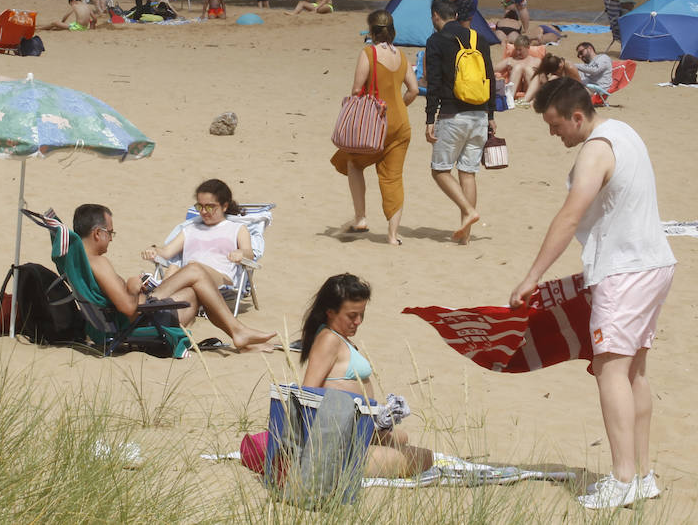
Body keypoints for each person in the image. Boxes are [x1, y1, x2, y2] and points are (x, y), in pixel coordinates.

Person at [511, 78, 675, 509]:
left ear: (577, 116)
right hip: (654, 264)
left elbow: (570, 217)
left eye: (555, 124)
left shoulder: (596, 149)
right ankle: (641, 474)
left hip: (626, 272)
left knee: (610, 371)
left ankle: (623, 478)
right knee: (634, 370)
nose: (553, 134)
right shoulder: (625, 131)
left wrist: (533, 276)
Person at [77, 203, 277, 351]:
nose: (111, 238)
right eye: (110, 233)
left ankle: (238, 333)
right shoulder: (98, 262)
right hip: (146, 317)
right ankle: (238, 332)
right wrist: (132, 287)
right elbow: (129, 310)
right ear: (97, 233)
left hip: (144, 309)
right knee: (196, 273)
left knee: (195, 276)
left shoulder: (80, 260)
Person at [299, 273, 434, 477]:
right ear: (330, 312)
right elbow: (307, 394)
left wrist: (380, 415)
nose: (359, 321)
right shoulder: (328, 340)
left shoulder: (337, 336)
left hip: (358, 429)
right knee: (424, 458)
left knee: (401, 438)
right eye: (352, 315)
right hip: (339, 440)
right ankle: (346, 464)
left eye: (362, 314)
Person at [330, 11, 419, 245]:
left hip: (377, 122)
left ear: (371, 31)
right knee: (393, 177)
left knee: (353, 162)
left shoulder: (368, 53)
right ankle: (392, 235)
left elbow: (357, 90)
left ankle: (360, 217)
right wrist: (400, 104)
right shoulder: (400, 54)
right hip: (400, 123)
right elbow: (414, 90)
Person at [424, 0, 497, 244]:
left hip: (452, 114)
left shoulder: (436, 40)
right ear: (455, 14)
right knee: (468, 173)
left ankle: (468, 212)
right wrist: (491, 114)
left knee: (440, 171)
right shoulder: (479, 38)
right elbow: (490, 77)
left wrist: (429, 117)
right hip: (478, 114)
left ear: (436, 15)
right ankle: (465, 235)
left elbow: (433, 83)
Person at [139, 179, 255, 288]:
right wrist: (153, 250)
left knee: (193, 267)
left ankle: (158, 293)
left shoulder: (237, 229)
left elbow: (250, 254)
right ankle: (160, 299)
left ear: (224, 206)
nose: (203, 212)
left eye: (210, 207)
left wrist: (241, 253)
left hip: (222, 281)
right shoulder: (189, 229)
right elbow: (166, 252)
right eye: (200, 206)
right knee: (173, 268)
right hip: (188, 280)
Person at [493, 34, 543, 100]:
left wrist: (538, 73)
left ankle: (527, 99)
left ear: (528, 47)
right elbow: (493, 69)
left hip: (530, 88)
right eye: (516, 49)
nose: (517, 52)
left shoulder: (537, 61)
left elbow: (545, 78)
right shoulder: (511, 60)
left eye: (520, 50)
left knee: (528, 69)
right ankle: (509, 98)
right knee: (518, 67)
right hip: (516, 88)